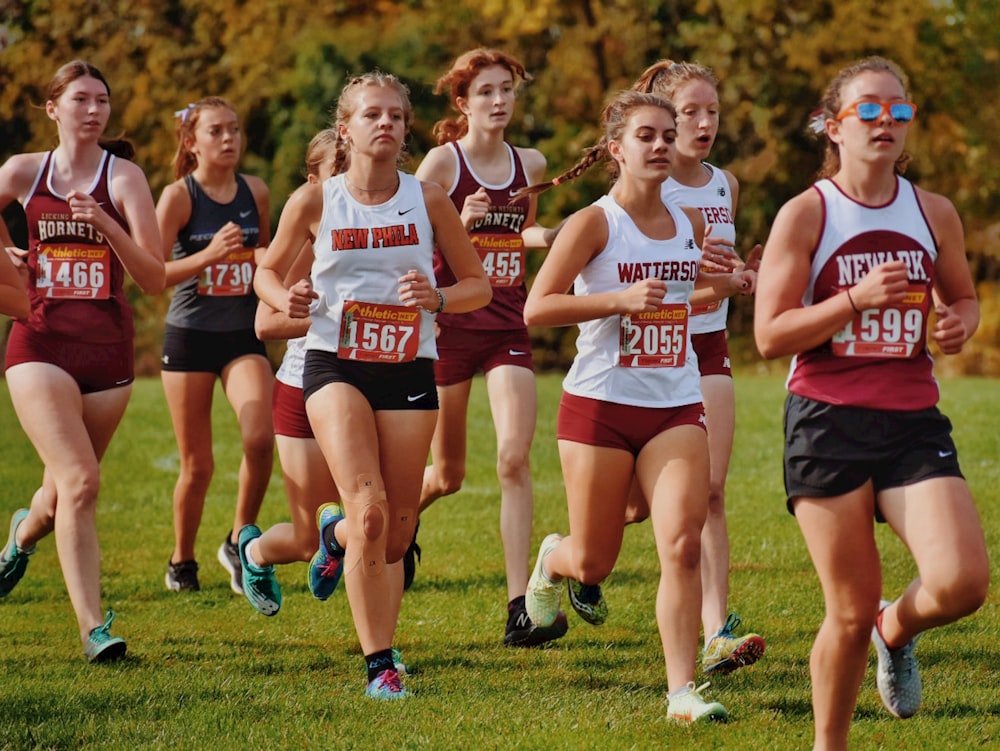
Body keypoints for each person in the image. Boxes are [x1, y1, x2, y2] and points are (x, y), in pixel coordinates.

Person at [753, 56, 989, 751]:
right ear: (834, 125)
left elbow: (964, 299)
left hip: (913, 417)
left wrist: (959, 323)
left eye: (899, 110)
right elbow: (770, 333)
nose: (886, 121)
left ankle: (899, 627)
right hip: (827, 419)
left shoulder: (932, 210)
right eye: (869, 109)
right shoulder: (807, 213)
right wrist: (854, 298)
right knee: (847, 612)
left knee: (963, 581)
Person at [253, 71, 491, 699]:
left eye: (394, 115)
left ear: (407, 128)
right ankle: (378, 664)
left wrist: (437, 297)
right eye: (370, 115)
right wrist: (290, 295)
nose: (384, 124)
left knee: (399, 531)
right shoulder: (316, 201)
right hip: (335, 365)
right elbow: (267, 273)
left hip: (409, 367)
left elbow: (479, 286)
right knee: (369, 510)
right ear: (346, 129)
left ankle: (385, 639)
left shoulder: (429, 198)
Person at [521, 89, 753, 722]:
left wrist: (728, 287)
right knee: (595, 558)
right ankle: (551, 558)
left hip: (676, 402)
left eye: (665, 134)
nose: (658, 145)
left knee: (680, 543)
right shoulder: (593, 224)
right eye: (645, 136)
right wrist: (615, 301)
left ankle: (681, 692)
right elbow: (537, 308)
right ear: (616, 149)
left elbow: (682, 298)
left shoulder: (692, 223)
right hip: (599, 405)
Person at [0, 60, 165, 661]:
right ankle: (94, 628)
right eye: (81, 99)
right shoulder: (23, 171)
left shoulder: (124, 179)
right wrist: (7, 249)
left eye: (103, 99)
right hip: (38, 343)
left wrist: (106, 225)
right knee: (81, 481)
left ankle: (20, 537)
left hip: (106, 351)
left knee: (61, 492)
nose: (94, 110)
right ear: (53, 108)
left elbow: (152, 277)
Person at [412, 48, 566, 647]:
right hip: (449, 327)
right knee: (447, 476)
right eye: (485, 93)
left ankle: (519, 607)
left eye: (506, 90)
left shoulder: (531, 162)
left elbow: (519, 228)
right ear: (462, 103)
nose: (499, 101)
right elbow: (409, 233)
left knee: (512, 459)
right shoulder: (441, 165)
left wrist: (550, 236)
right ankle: (377, 533)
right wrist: (459, 216)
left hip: (507, 324)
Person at [631, 59, 765, 674]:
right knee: (630, 512)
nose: (704, 123)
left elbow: (717, 278)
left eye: (713, 111)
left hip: (707, 346)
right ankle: (559, 558)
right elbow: (660, 284)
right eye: (691, 112)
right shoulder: (646, 187)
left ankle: (717, 631)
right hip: (649, 351)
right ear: (663, 118)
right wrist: (721, 285)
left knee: (711, 490)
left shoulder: (725, 184)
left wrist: (747, 279)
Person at [156, 97, 274, 595]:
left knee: (260, 437)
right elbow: (153, 272)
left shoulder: (256, 191)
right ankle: (181, 559)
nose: (229, 139)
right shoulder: (179, 197)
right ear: (192, 141)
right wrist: (209, 254)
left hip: (243, 334)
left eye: (235, 130)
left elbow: (267, 256)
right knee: (198, 464)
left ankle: (236, 538)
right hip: (189, 337)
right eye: (216, 131)